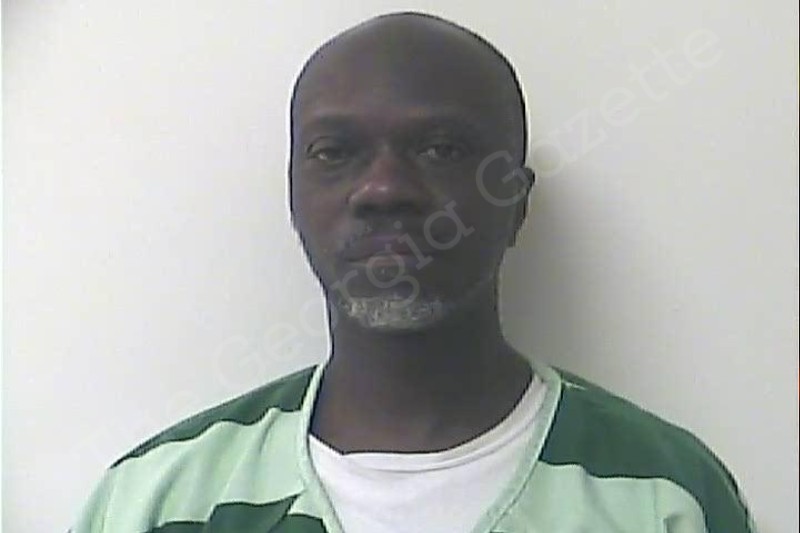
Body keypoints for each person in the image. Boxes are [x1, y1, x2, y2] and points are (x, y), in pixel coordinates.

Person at [72, 12, 756, 533]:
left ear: (516, 203)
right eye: (335, 151)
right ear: (294, 196)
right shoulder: (157, 500)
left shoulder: (662, 496)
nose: (384, 189)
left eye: (441, 148)